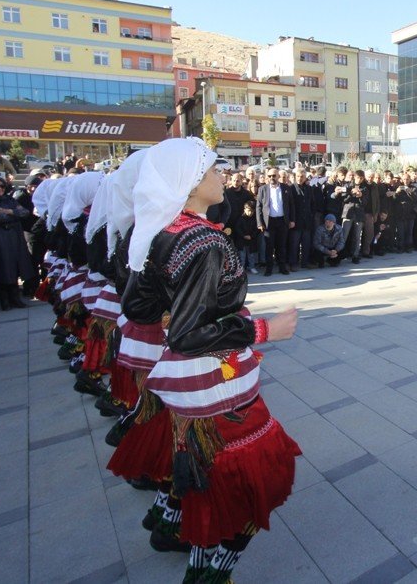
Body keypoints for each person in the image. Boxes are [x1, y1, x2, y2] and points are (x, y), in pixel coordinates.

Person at [124, 137, 301, 583]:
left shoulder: (166, 229)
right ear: (189, 184)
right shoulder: (203, 242)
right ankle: (211, 575)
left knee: (207, 479)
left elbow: (137, 306)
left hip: (191, 385)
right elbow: (189, 334)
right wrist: (265, 330)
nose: (222, 176)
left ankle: (197, 562)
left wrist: (175, 308)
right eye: (212, 171)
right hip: (217, 384)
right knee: (252, 481)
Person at [0, 176, 35, 310]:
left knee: (14, 265)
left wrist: (10, 211)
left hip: (13, 238)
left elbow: (25, 212)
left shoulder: (10, 200)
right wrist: (14, 216)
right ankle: (4, 299)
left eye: (2, 186)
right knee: (1, 267)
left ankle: (15, 298)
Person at [255, 166, 294, 276]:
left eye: (274, 175)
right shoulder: (263, 189)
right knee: (269, 246)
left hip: (282, 221)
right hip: (269, 222)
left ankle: (282, 267)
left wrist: (292, 220)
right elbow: (258, 207)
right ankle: (269, 268)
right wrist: (259, 223)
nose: (271, 177)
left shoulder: (286, 188)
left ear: (278, 176)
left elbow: (291, 205)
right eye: (269, 176)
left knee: (281, 246)